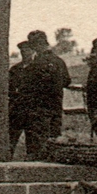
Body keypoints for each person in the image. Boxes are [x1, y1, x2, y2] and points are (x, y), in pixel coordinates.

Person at [22, 29, 71, 159]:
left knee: (37, 146)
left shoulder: (35, 64)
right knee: (54, 141)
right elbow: (66, 81)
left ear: (35, 45)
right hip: (55, 108)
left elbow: (27, 86)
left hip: (38, 110)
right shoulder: (59, 61)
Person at [8, 40, 38, 161]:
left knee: (32, 140)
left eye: (27, 50)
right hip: (17, 109)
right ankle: (7, 160)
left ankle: (31, 162)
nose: (25, 53)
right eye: (22, 51)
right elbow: (9, 88)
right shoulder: (15, 69)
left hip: (32, 109)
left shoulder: (37, 68)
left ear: (33, 51)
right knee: (11, 138)